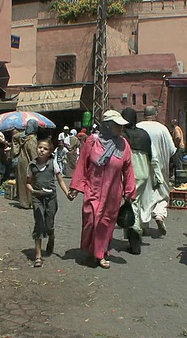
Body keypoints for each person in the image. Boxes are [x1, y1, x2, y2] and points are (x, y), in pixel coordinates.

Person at [68, 110, 136, 269]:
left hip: (113, 193)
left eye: (121, 126)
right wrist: (76, 187)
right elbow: (82, 165)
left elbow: (128, 169)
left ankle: (100, 254)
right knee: (91, 221)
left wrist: (129, 191)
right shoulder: (92, 141)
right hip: (93, 189)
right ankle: (91, 250)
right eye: (117, 125)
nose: (121, 129)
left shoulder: (123, 145)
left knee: (105, 224)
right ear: (107, 125)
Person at [26, 139, 70, 268]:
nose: (41, 150)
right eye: (40, 147)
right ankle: (38, 256)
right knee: (39, 223)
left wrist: (67, 193)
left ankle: (51, 237)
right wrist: (33, 191)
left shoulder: (52, 163)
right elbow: (28, 182)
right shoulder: (32, 165)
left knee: (49, 224)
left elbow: (60, 181)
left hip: (50, 197)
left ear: (50, 151)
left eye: (45, 149)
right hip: (37, 198)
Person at [137, 106, 176, 236]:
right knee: (162, 194)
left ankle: (143, 224)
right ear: (156, 114)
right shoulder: (162, 128)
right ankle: (159, 214)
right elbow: (172, 150)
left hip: (141, 167)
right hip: (160, 169)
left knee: (143, 196)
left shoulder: (138, 127)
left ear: (144, 115)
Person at [120, 107, 151, 254]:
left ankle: (135, 235)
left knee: (131, 205)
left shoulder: (122, 135)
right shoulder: (144, 134)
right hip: (144, 173)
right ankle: (133, 238)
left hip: (130, 175)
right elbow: (152, 156)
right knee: (135, 203)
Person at [17, 120, 39, 209]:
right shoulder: (32, 139)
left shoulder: (23, 137)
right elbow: (33, 154)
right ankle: (30, 202)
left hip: (21, 161)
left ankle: (23, 202)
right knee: (30, 182)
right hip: (28, 162)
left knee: (22, 182)